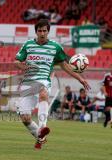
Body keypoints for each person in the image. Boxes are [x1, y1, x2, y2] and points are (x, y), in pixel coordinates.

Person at [15, 19, 90, 150]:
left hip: (44, 79)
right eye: (40, 31)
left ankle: (43, 126)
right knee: (25, 118)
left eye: (45, 31)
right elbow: (16, 61)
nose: (42, 33)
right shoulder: (28, 45)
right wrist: (22, 66)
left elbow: (65, 66)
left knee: (43, 93)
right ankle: (40, 136)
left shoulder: (55, 47)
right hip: (28, 82)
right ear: (36, 32)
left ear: (48, 32)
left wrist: (80, 79)